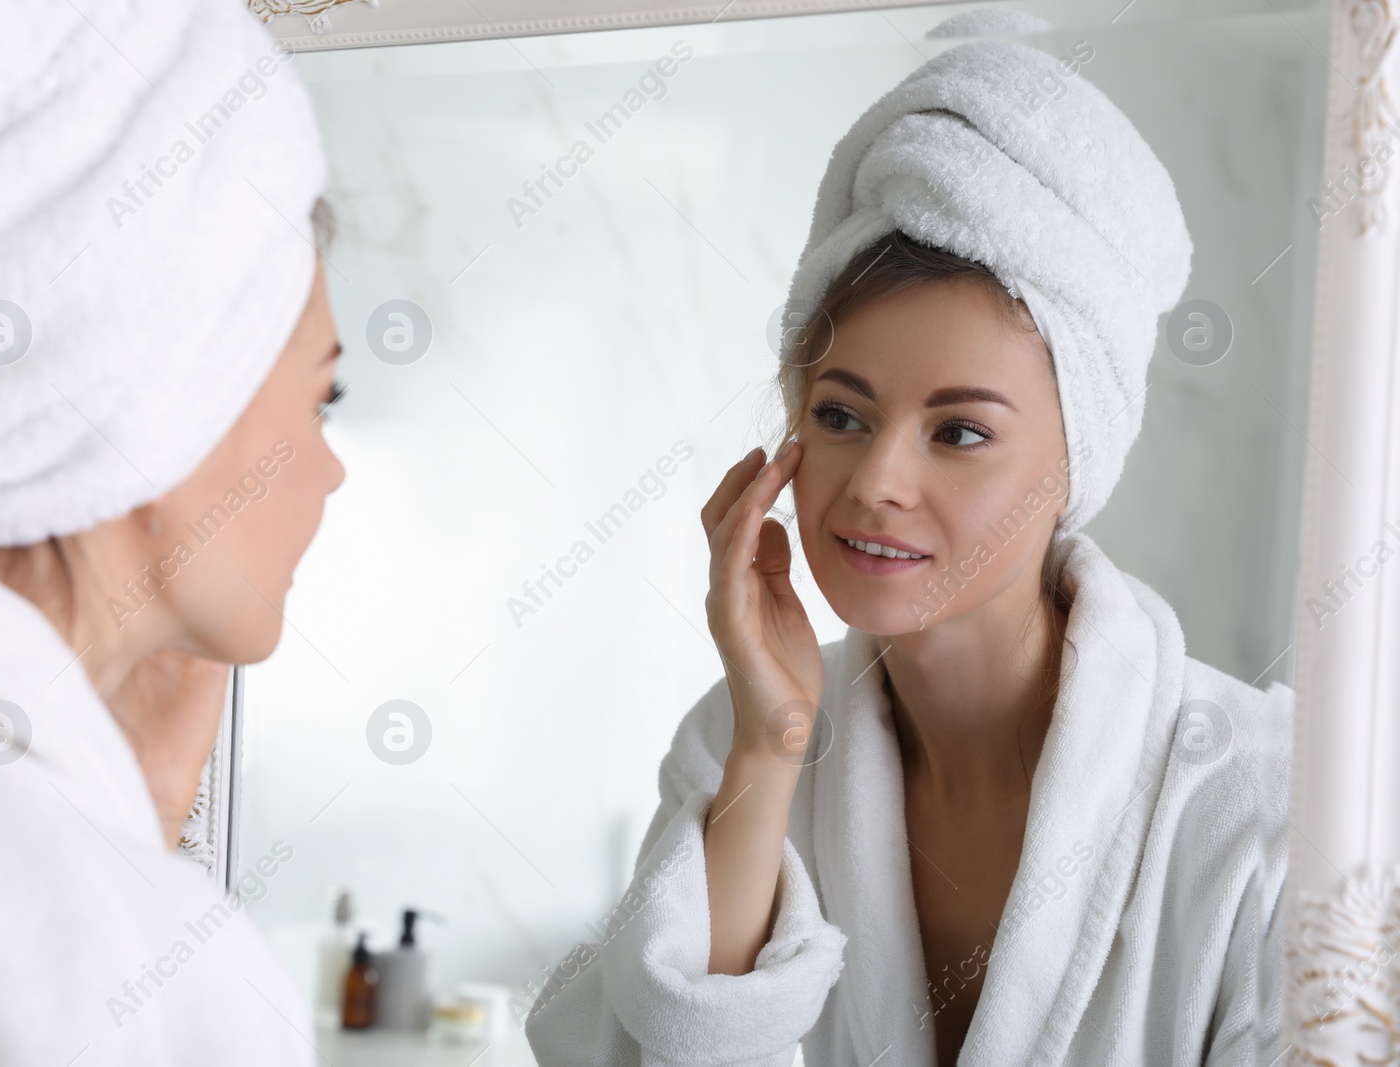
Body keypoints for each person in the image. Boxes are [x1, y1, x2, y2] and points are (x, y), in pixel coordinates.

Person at [524, 36, 1292, 1067]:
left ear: (1077, 462)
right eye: (840, 413)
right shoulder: (745, 740)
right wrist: (771, 741)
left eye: (958, 430)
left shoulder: (1265, 805)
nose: (876, 478)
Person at [0, 1, 345, 1061]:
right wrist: (115, 874)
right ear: (165, 397)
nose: (331, 467)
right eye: (325, 395)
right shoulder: (121, 968)